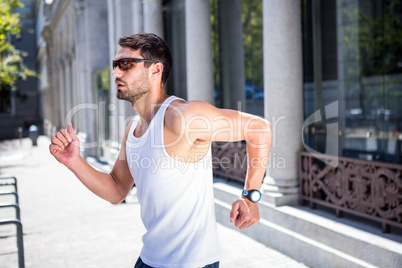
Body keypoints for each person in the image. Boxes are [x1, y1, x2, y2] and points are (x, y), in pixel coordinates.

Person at [49, 32, 272, 268]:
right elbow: (116, 190)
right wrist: (74, 161)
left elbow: (260, 128)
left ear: (155, 70)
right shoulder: (133, 129)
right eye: (116, 65)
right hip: (149, 259)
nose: (116, 73)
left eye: (126, 65)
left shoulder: (182, 116)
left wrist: (250, 197)